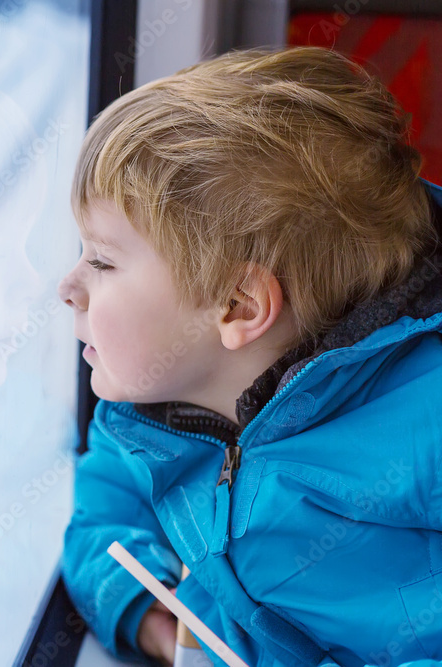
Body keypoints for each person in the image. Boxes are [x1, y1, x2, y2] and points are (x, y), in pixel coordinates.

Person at [57, 45, 442, 667]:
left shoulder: (425, 431)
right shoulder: (159, 410)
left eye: (101, 261)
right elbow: (104, 513)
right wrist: (156, 620)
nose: (67, 287)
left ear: (236, 306)